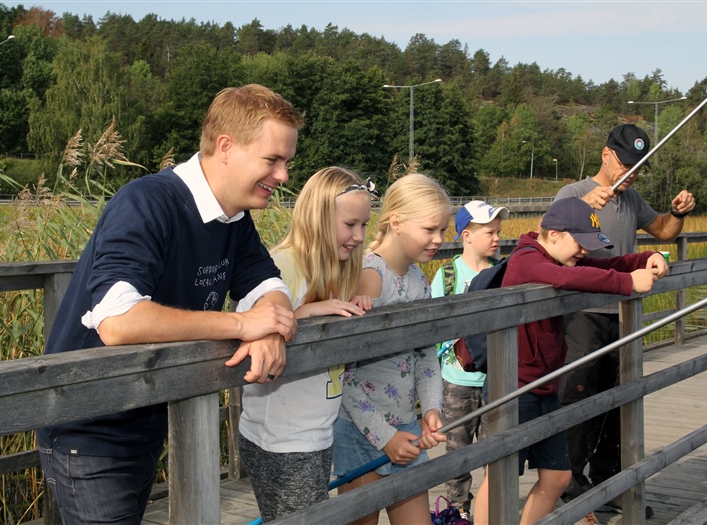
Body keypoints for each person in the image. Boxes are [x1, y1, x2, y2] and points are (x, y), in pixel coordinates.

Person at [36, 84, 303, 524]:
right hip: (88, 423)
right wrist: (241, 324)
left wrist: (271, 327)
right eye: (273, 160)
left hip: (145, 415)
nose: (283, 176)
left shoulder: (233, 218)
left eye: (287, 162)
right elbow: (117, 321)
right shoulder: (146, 202)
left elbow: (269, 287)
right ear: (226, 147)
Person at [472, 197, 668, 525]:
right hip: (513, 387)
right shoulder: (526, 260)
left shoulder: (561, 258)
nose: (584, 252)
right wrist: (628, 283)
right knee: (500, 476)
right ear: (553, 235)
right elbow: (566, 279)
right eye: (580, 244)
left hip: (544, 384)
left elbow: (604, 266)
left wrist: (648, 257)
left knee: (558, 477)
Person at [554, 124, 695, 512]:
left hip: (624, 313)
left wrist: (676, 212)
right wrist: (587, 209)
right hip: (582, 314)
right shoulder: (574, 193)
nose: (631, 174)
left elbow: (665, 232)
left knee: (620, 399)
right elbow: (549, 243)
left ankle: (611, 480)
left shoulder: (632, 199)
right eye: (626, 164)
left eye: (639, 167)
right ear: (606, 155)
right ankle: (568, 485)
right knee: (577, 397)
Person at [238, 167, 375, 521]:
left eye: (364, 225)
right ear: (317, 218)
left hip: (315, 433)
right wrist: (306, 312)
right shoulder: (282, 265)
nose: (359, 236)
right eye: (350, 225)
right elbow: (249, 321)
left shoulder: (338, 272)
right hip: (279, 439)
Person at [333, 173, 450, 525]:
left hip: (406, 426)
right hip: (361, 429)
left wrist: (430, 407)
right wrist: (385, 438)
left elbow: (425, 353)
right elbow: (343, 372)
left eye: (443, 230)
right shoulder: (369, 277)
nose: (439, 240)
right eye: (430, 229)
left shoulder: (419, 279)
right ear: (396, 221)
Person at [430, 200, 508, 522]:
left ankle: (491, 510)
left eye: (498, 232)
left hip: (494, 379)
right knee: (457, 450)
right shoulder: (447, 274)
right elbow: (433, 326)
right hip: (456, 380)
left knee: (495, 450)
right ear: (467, 235)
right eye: (489, 232)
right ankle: (458, 509)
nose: (496, 238)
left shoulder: (502, 272)